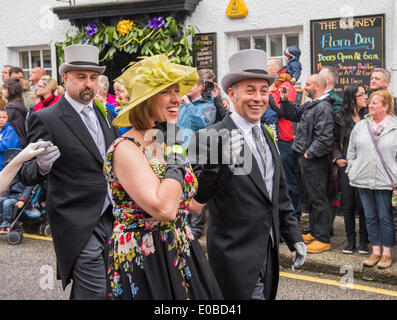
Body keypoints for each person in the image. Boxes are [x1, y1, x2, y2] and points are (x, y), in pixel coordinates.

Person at [103, 54, 223, 300]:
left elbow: (190, 206)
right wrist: (177, 151)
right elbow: (164, 209)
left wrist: (215, 171)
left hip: (180, 245)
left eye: (177, 91)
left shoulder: (166, 141)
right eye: (166, 91)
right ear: (146, 99)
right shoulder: (126, 148)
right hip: (145, 255)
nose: (177, 99)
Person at [190, 49, 306, 300]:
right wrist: (217, 165)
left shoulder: (267, 133)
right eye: (250, 90)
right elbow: (197, 198)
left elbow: (278, 195)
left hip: (269, 251)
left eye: (263, 91)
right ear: (232, 94)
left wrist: (294, 236)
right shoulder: (209, 137)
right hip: (234, 256)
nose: (259, 98)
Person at [19, 44, 119, 299]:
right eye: (81, 77)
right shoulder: (47, 118)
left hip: (111, 217)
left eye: (93, 77)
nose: (89, 84)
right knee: (96, 291)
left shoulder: (105, 112)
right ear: (65, 78)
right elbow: (27, 172)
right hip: (76, 221)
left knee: (106, 290)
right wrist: (42, 165)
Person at [280, 74, 335, 253]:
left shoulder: (324, 107)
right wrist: (284, 101)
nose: (305, 87)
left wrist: (308, 153)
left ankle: (323, 238)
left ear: (319, 86)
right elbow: (294, 114)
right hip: (305, 158)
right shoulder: (312, 105)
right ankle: (313, 231)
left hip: (313, 160)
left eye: (309, 84)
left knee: (318, 198)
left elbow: (325, 138)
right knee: (310, 197)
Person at [346, 90, 397, 269]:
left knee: (385, 217)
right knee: (370, 217)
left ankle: (387, 253)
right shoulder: (361, 126)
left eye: (375, 102)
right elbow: (351, 151)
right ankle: (375, 251)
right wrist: (352, 170)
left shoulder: (395, 127)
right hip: (362, 179)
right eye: (371, 102)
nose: (370, 104)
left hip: (385, 181)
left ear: (386, 106)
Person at [333, 85, 369, 254]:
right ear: (353, 99)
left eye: (365, 94)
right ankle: (350, 241)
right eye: (362, 95)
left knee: (363, 205)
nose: (366, 97)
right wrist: (338, 157)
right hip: (346, 167)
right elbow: (333, 140)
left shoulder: (368, 116)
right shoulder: (340, 117)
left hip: (365, 167)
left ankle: (363, 242)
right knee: (348, 204)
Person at [266, 58, 301, 221]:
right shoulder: (273, 85)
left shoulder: (286, 86)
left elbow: (282, 110)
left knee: (288, 178)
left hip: (284, 137)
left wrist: (269, 92)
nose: (265, 70)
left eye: (267, 67)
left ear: (273, 70)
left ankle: (294, 214)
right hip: (271, 135)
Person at [319, 65, 343, 236]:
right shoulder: (317, 98)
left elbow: (333, 131)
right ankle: (319, 226)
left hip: (329, 153)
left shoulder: (336, 101)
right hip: (317, 153)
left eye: (319, 76)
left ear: (327, 81)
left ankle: (328, 226)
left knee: (330, 193)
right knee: (319, 192)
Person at [177, 68, 217, 148]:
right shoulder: (182, 103)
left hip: (195, 152)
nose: (187, 88)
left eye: (191, 85)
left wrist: (188, 103)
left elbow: (202, 125)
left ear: (200, 87)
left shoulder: (209, 106)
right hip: (177, 149)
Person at [0, 149, 34, 233]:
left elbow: (28, 189)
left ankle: (6, 223)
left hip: (18, 197)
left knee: (7, 203)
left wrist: (22, 200)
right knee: (2, 200)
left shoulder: (28, 177)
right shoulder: (13, 176)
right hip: (10, 195)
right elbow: (8, 186)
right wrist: (3, 194)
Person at [2, 78, 27, 147]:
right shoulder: (19, 104)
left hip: (13, 142)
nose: (2, 91)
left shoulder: (10, 108)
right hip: (21, 140)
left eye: (5, 89)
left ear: (11, 90)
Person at [0, 106, 21, 171]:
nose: (1, 119)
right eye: (0, 117)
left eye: (4, 117)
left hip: (5, 166)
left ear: (7, 118)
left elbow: (6, 146)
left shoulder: (10, 130)